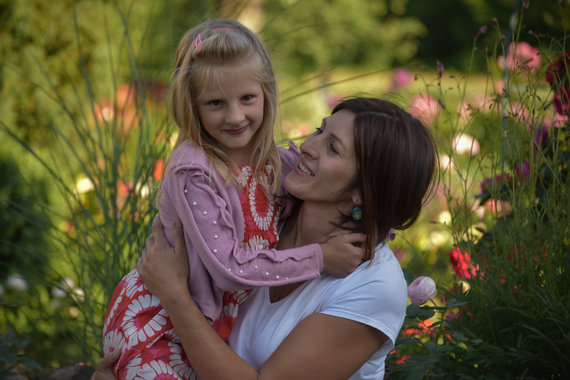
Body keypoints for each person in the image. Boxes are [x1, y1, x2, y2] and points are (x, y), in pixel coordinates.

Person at [95, 97, 436, 379]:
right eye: (319, 130)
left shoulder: (372, 285)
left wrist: (174, 294)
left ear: (365, 191)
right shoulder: (263, 219)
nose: (307, 146)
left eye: (332, 147)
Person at [103, 19, 365, 379]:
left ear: (266, 95)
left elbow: (337, 189)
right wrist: (319, 258)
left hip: (204, 324)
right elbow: (229, 267)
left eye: (247, 99)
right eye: (215, 103)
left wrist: (375, 221)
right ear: (191, 106)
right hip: (157, 318)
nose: (235, 116)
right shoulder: (195, 172)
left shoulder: (274, 163)